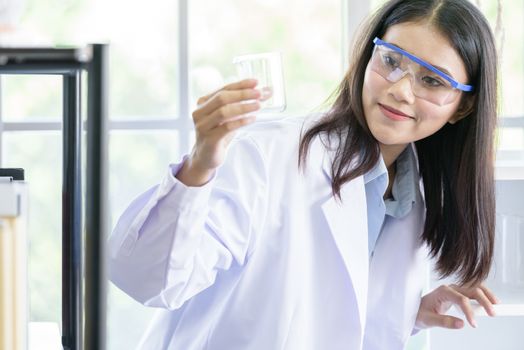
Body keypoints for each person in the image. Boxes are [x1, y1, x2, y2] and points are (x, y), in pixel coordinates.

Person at [108, 0, 501, 349]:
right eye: (392, 60)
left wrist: (405, 313)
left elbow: (332, 317)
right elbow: (152, 280)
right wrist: (200, 164)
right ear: (369, 56)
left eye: (431, 80)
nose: (400, 90)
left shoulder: (415, 191)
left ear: (463, 107)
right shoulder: (269, 155)